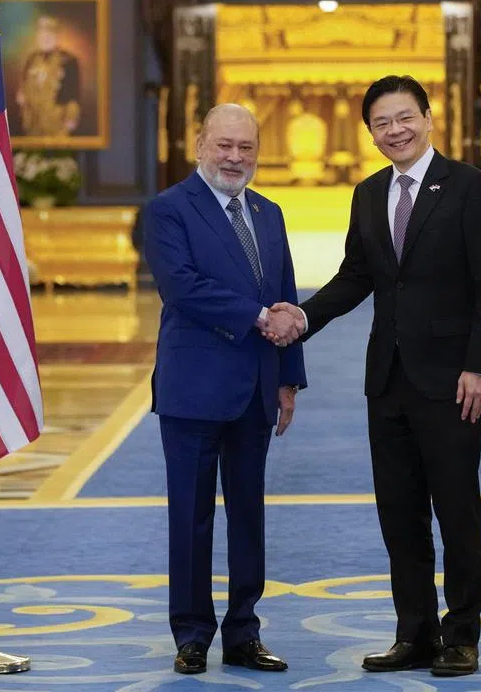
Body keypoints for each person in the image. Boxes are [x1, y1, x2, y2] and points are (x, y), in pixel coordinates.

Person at [269, 75, 481, 677]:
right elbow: (357, 276)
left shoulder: (468, 186)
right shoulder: (369, 192)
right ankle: (415, 634)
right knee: (400, 515)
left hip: (453, 381)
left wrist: (480, 366)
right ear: (370, 133)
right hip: (388, 380)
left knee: (456, 511)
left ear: (428, 118)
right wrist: (303, 318)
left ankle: (462, 636)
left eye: (405, 118)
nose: (395, 131)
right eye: (382, 123)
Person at [142, 103, 307, 675]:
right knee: (191, 517)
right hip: (193, 391)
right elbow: (181, 287)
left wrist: (288, 379)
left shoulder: (268, 212)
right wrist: (259, 318)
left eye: (246, 147)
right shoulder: (169, 209)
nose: (235, 158)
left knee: (248, 516)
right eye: (224, 145)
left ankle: (243, 632)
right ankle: (191, 635)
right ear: (200, 145)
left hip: (256, 389)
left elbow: (285, 293)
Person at [15, 15, 81, 137]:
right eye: (41, 33)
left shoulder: (69, 61)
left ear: (57, 36)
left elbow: (73, 96)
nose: (45, 37)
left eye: (50, 34)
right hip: (33, 125)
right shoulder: (31, 60)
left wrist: (71, 118)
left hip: (57, 125)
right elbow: (22, 92)